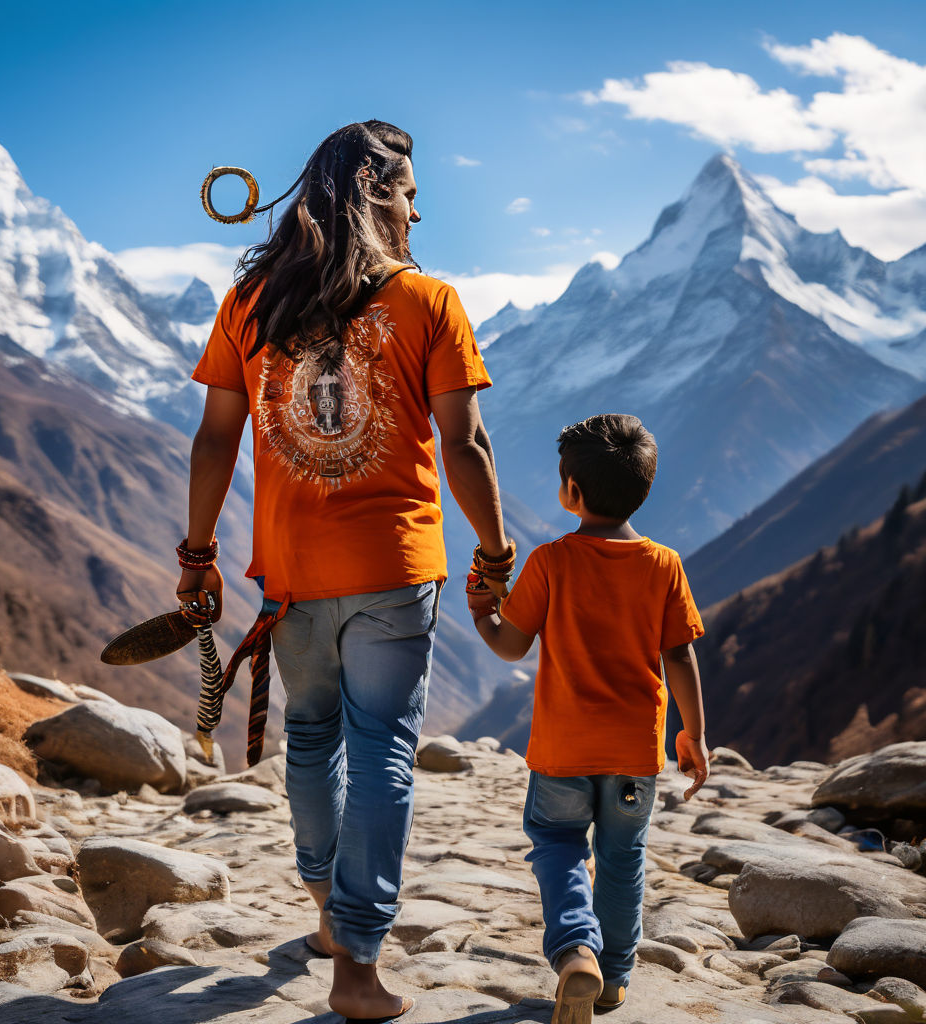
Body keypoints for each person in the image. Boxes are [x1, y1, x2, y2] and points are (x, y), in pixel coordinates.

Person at [177, 120, 511, 1023]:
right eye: (408, 194)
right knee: (382, 754)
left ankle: (327, 910)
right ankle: (358, 959)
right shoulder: (429, 303)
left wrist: (198, 553)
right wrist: (494, 549)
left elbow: (216, 437)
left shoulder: (250, 301)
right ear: (375, 190)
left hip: (289, 577)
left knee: (313, 742)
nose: (416, 212)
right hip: (395, 573)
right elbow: (465, 444)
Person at [469, 414, 709, 1024]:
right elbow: (679, 653)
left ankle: (577, 948)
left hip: (563, 750)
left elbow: (511, 644)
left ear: (570, 492)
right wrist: (693, 734)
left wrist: (482, 608)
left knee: (557, 844)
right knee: (624, 858)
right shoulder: (664, 565)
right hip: (634, 753)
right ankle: (615, 980)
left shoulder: (552, 561)